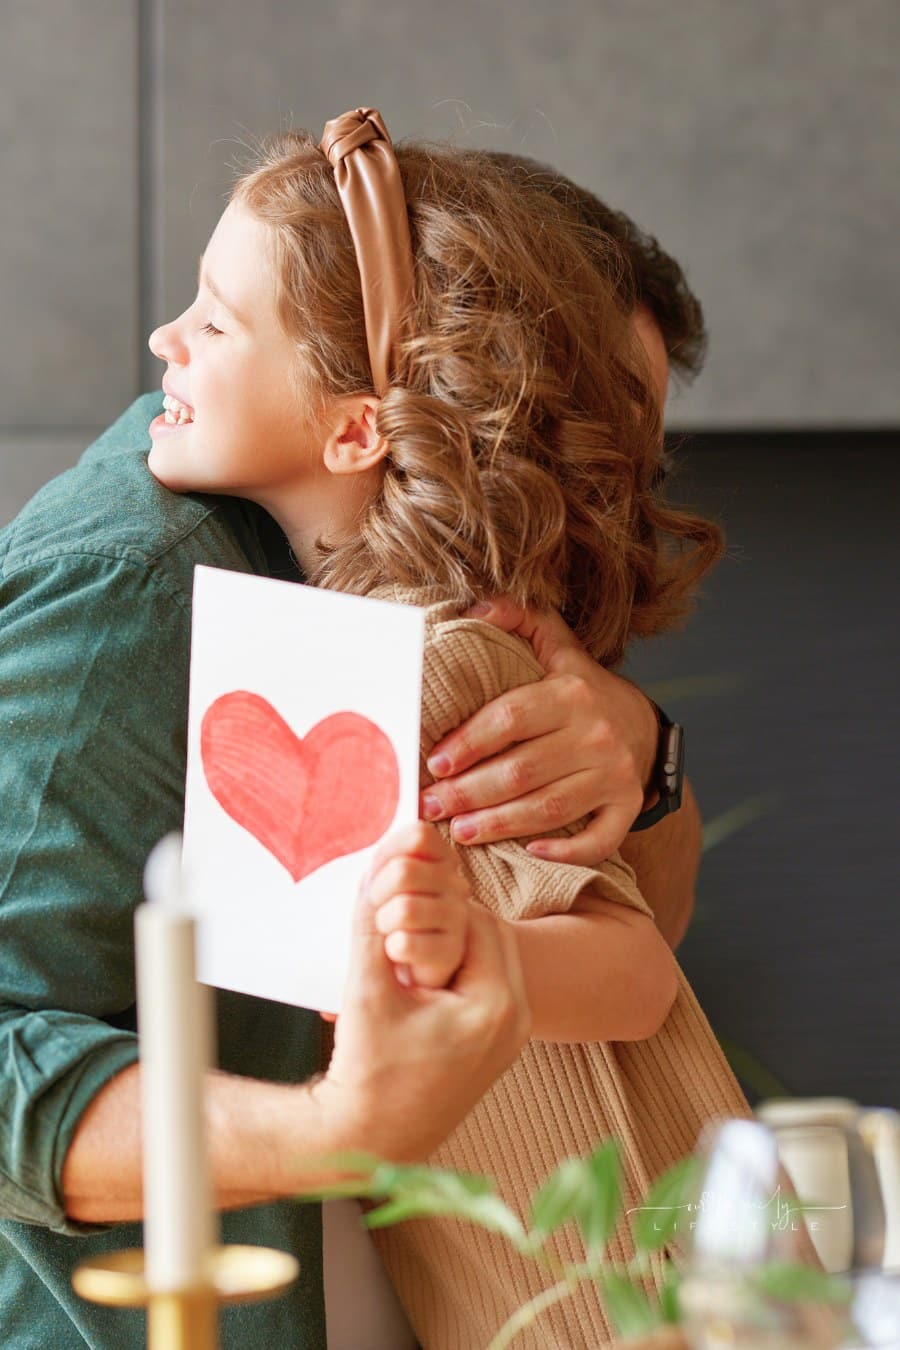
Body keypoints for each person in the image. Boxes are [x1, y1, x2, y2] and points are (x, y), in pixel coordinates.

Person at [0, 140, 706, 1350]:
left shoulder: (428, 595)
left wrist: (644, 761)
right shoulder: (141, 589)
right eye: (561, 420)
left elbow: (638, 948)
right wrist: (343, 1121)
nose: (588, 482)